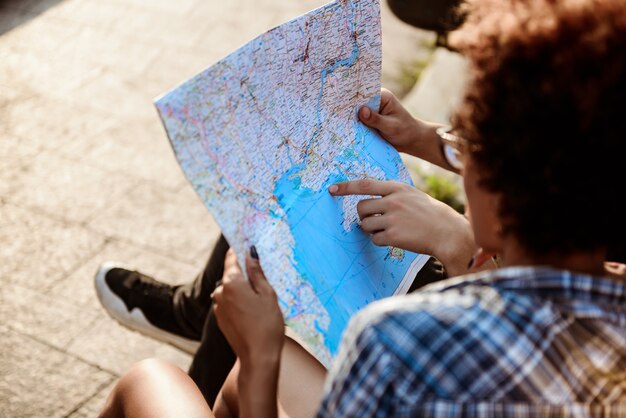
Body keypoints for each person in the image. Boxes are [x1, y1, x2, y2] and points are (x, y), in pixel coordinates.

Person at [98, 0, 626, 415]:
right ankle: (204, 320)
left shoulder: (399, 337)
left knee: (151, 380)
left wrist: (258, 357)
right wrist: (425, 139)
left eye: (472, 146)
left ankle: (213, 332)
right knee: (251, 375)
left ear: (488, 183)